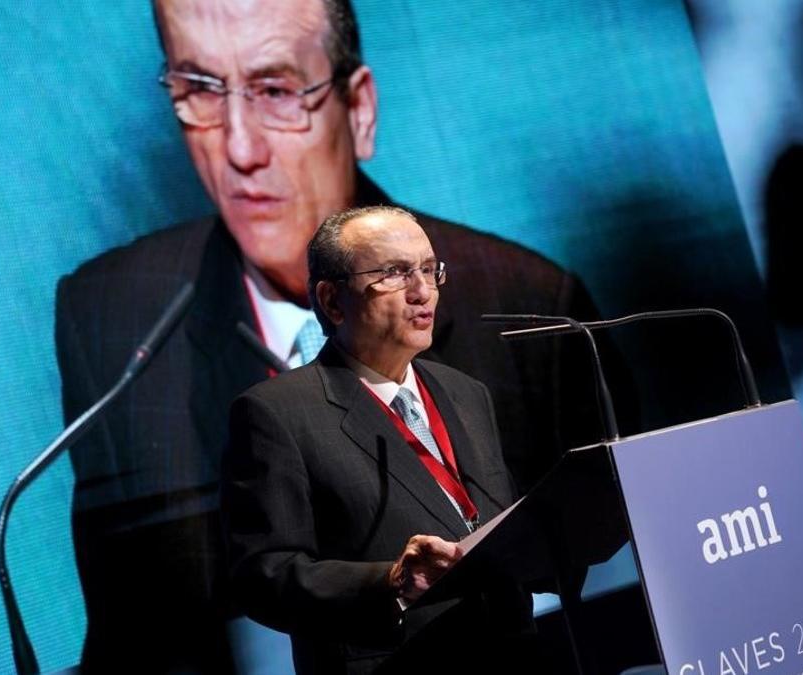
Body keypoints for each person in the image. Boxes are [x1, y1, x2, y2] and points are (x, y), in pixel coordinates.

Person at [55, 0, 630, 670]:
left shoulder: (530, 309)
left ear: (358, 111)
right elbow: (132, 632)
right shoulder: (110, 316)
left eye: (275, 91)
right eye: (200, 89)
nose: (238, 149)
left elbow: (621, 558)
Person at [222, 206, 537, 674]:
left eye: (429, 270)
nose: (422, 291)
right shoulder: (276, 413)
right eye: (395, 273)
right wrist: (388, 583)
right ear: (332, 301)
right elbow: (262, 576)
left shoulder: (466, 393)